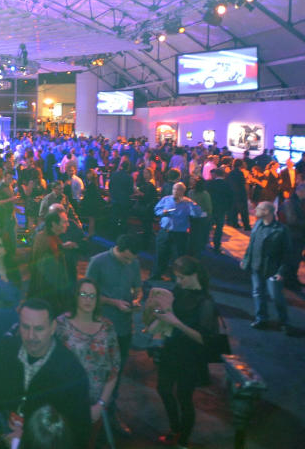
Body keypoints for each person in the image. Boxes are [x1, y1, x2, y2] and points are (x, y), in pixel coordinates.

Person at [0, 298, 91, 449]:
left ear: (53, 327)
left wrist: (29, 440)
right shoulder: (4, 350)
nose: (31, 336)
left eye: (38, 329)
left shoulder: (71, 371)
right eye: (25, 327)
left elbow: (79, 432)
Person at [152, 256, 218, 448]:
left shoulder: (206, 302)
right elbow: (169, 310)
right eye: (177, 278)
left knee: (184, 397)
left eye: (182, 278)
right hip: (171, 349)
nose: (178, 282)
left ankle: (182, 439)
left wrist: (176, 323)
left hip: (191, 356)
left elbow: (204, 339)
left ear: (194, 275)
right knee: (163, 389)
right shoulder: (179, 290)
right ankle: (175, 428)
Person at [85, 234, 141, 436]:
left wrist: (137, 297)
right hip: (101, 327)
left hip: (124, 328)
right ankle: (93, 416)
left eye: (131, 260)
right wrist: (113, 302)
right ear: (117, 248)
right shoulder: (98, 262)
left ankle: (110, 414)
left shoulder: (133, 262)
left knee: (116, 373)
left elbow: (137, 286)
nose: (128, 262)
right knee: (97, 372)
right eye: (125, 258)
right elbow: (87, 294)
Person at [56, 278, 121, 445]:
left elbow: (114, 368)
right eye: (83, 294)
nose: (88, 299)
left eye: (92, 295)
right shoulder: (60, 324)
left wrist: (100, 404)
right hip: (64, 404)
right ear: (75, 296)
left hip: (96, 406)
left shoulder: (107, 327)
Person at [240, 201, 291, 332]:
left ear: (267, 212)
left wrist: (281, 271)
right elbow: (252, 245)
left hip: (272, 269)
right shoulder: (258, 225)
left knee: (276, 296)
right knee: (257, 293)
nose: (255, 210)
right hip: (257, 266)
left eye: (259, 208)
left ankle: (284, 321)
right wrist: (246, 260)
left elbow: (287, 253)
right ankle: (261, 318)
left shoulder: (281, 229)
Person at [153, 183, 205, 280]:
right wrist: (162, 212)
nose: (175, 191)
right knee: (160, 254)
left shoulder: (188, 203)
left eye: (178, 189)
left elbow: (198, 214)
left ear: (183, 191)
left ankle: (175, 278)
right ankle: (156, 275)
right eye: (174, 189)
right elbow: (156, 210)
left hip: (180, 234)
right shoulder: (166, 199)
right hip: (165, 232)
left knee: (178, 257)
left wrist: (190, 203)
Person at [29, 210, 75, 313]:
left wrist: (62, 247)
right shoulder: (47, 241)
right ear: (54, 224)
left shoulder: (46, 237)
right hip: (49, 300)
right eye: (64, 222)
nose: (67, 224)